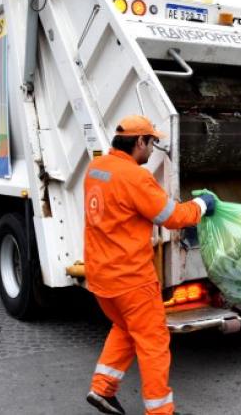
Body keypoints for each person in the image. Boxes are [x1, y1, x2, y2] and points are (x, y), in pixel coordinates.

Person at [84, 115, 215, 415]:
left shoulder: (96, 169)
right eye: (152, 143)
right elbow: (173, 217)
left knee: (124, 327)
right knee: (153, 343)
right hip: (131, 280)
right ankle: (160, 412)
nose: (153, 149)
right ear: (139, 141)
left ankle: (102, 389)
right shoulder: (135, 177)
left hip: (100, 276)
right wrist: (203, 205)